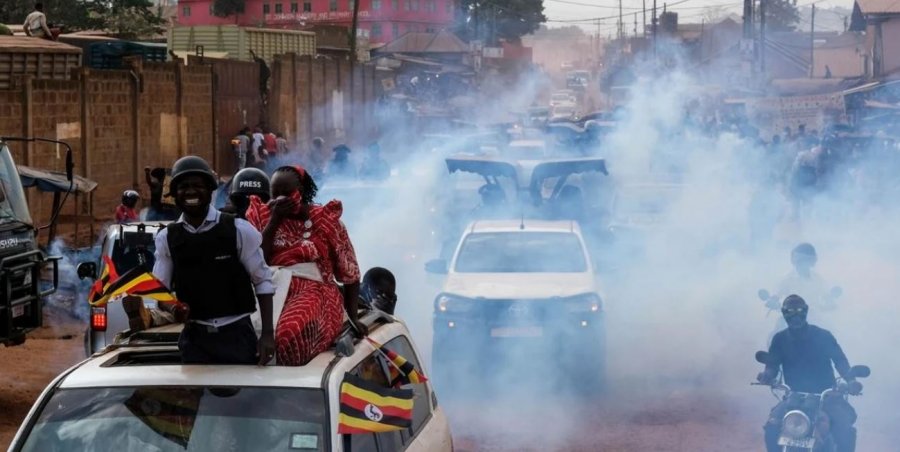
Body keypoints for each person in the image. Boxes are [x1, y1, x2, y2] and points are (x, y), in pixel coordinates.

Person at [152, 156, 275, 365]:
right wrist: (174, 308)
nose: (190, 192)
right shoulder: (167, 238)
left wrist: (267, 335)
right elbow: (159, 291)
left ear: (210, 190)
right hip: (195, 340)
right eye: (183, 187)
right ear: (174, 194)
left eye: (197, 186)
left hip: (237, 337)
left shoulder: (238, 229)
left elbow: (262, 281)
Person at [245, 165, 365, 366]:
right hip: (269, 290)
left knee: (289, 334)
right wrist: (274, 221)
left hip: (317, 292)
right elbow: (258, 260)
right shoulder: (263, 216)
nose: (280, 199)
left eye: (287, 193)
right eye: (276, 193)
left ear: (301, 191)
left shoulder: (325, 220)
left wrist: (353, 318)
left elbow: (350, 271)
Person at [757, 295, 859, 452]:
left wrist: (851, 380)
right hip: (794, 396)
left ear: (805, 311)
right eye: (790, 311)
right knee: (772, 427)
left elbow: (840, 361)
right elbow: (772, 365)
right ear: (784, 313)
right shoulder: (779, 339)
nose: (795, 316)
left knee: (843, 427)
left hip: (827, 396)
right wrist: (767, 375)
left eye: (799, 311)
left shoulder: (824, 336)